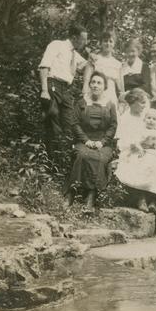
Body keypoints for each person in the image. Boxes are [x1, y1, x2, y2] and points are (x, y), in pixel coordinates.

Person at [62, 71, 117, 214]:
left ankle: (91, 197)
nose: (95, 85)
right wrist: (86, 140)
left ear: (104, 87)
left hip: (103, 144)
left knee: (100, 158)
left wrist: (103, 142)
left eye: (99, 83)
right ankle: (71, 193)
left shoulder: (110, 104)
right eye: (93, 82)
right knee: (82, 156)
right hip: (83, 140)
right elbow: (74, 123)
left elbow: (113, 126)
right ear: (89, 84)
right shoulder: (82, 102)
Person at [114, 88, 156, 212]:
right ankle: (141, 198)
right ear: (133, 102)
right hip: (130, 151)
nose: (145, 106)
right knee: (144, 162)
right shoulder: (125, 119)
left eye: (145, 103)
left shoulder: (146, 116)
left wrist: (155, 142)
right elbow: (122, 142)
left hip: (148, 149)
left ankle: (153, 198)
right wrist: (138, 144)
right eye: (142, 103)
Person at [38, 24, 89, 150]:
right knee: (53, 119)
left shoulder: (74, 54)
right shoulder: (57, 45)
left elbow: (87, 65)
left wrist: (90, 58)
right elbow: (44, 66)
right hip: (53, 84)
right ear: (74, 37)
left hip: (65, 89)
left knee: (68, 122)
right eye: (83, 39)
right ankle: (50, 159)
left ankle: (62, 156)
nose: (85, 43)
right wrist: (44, 90)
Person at [83, 31, 124, 112]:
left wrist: (122, 103)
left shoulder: (117, 64)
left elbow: (121, 88)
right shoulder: (94, 59)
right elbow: (86, 80)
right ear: (101, 43)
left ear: (114, 44)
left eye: (110, 41)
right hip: (94, 96)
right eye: (105, 41)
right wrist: (85, 97)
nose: (108, 44)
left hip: (111, 96)